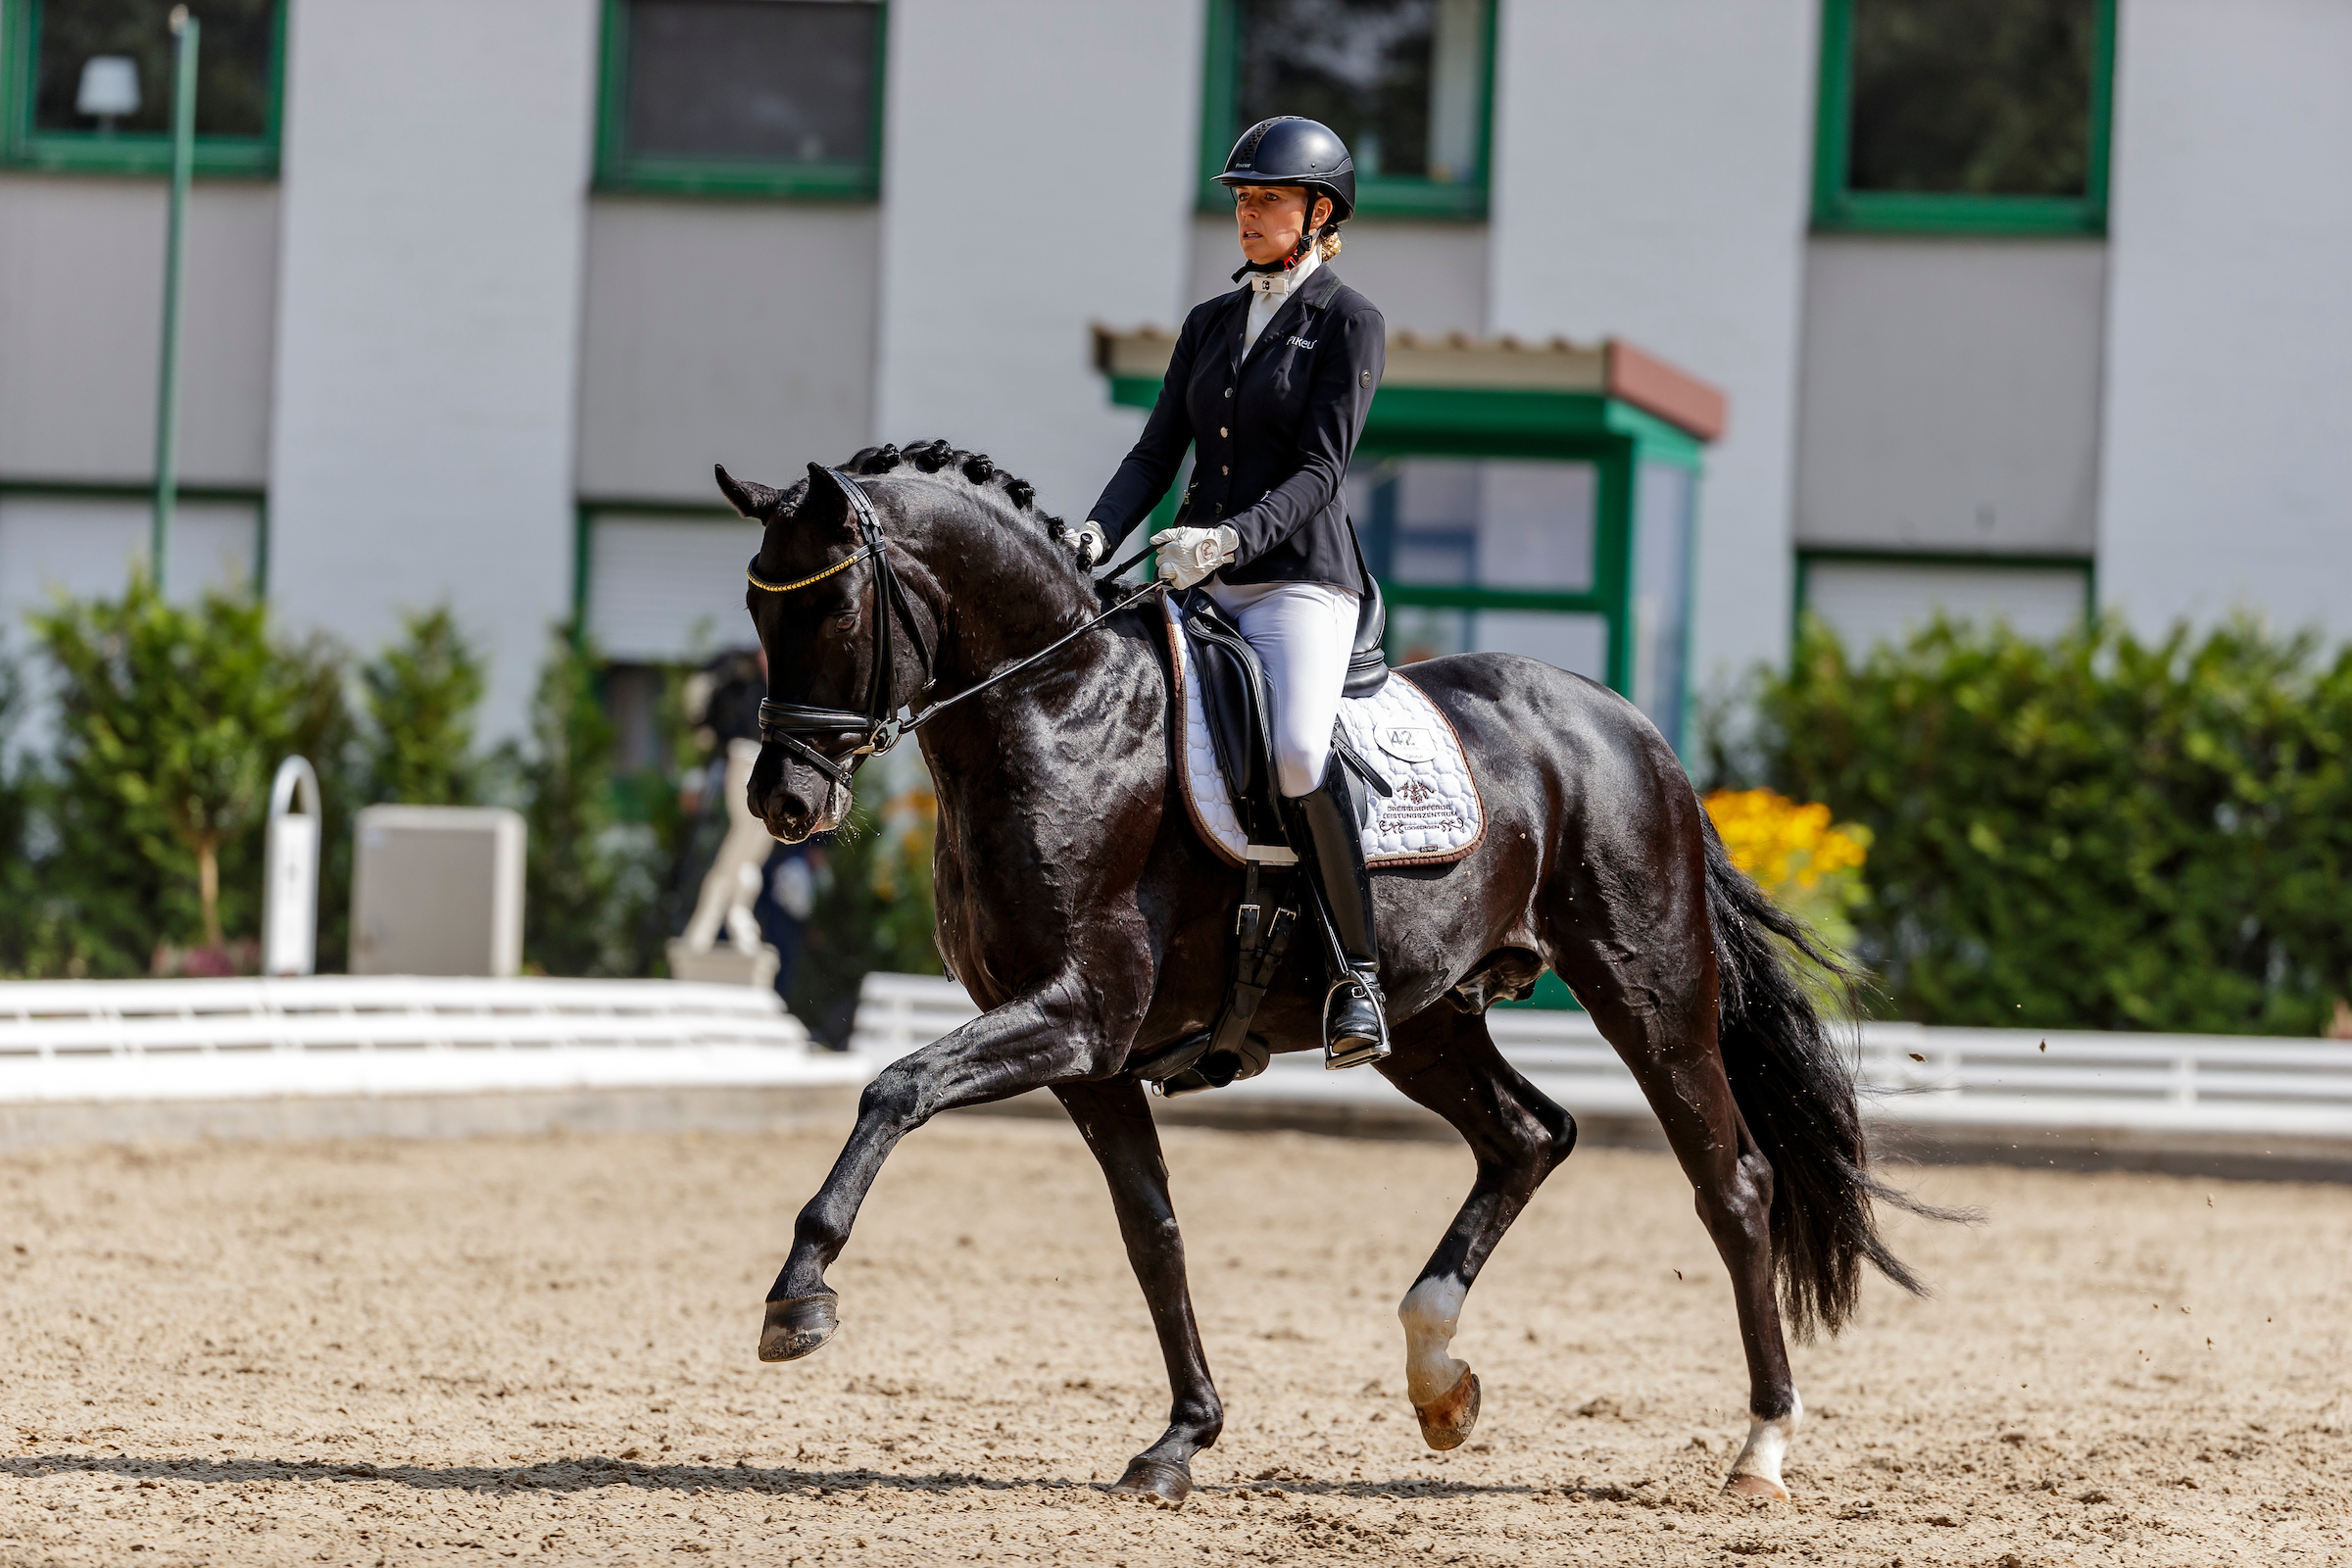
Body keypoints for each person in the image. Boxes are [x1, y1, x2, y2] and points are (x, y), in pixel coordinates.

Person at [1077, 116, 1390, 1070]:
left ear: (1319, 210)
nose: (1246, 215)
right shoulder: (1210, 323)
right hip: (1192, 578)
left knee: (1296, 749)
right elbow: (1152, 451)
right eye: (1241, 200)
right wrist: (1094, 532)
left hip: (1297, 583)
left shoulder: (1348, 321)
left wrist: (1228, 538)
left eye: (1265, 200)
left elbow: (1320, 472)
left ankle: (1358, 974)